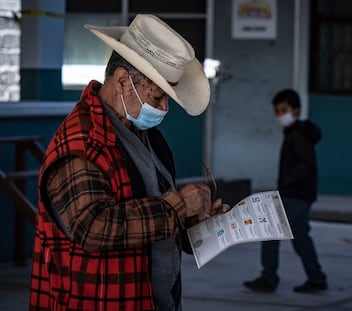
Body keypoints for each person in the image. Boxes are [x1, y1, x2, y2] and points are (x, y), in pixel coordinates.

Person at [30, 14, 228, 311]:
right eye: (158, 96)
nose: (164, 107)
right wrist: (178, 205)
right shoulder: (83, 142)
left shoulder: (146, 135)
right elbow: (92, 227)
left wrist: (193, 224)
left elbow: (150, 216)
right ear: (123, 81)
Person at [243, 89, 327, 294]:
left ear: (296, 111)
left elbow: (306, 165)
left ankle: (269, 278)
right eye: (277, 111)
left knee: (270, 231)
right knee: (300, 237)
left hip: (295, 195)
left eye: (284, 110)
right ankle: (316, 278)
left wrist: (287, 183)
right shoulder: (296, 134)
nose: (280, 115)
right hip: (302, 194)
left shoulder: (297, 136)